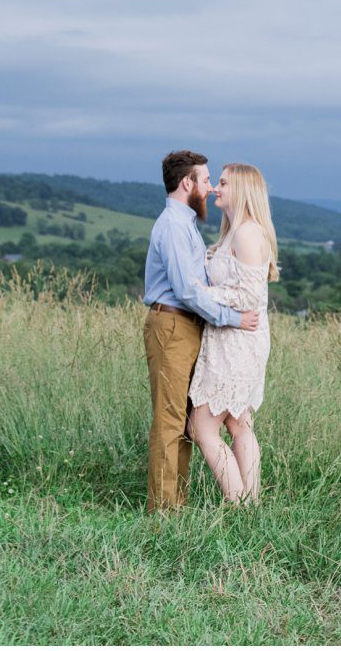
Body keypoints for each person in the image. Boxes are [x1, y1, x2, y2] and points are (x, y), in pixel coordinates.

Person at [143, 150, 259, 512]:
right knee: (170, 418)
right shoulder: (175, 226)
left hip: (190, 326)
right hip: (173, 324)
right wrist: (233, 318)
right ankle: (164, 512)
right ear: (187, 183)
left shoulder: (186, 224)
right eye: (206, 180)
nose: (209, 188)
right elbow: (188, 291)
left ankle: (179, 501)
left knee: (189, 420)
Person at [187, 162, 278, 504]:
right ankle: (251, 505)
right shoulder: (235, 231)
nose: (214, 188)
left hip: (238, 342)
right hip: (232, 338)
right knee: (239, 422)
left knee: (202, 428)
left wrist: (201, 292)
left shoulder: (247, 232)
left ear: (241, 189)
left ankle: (237, 501)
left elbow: (249, 295)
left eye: (222, 183)